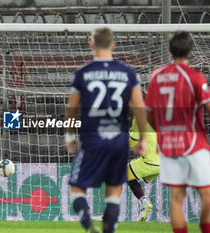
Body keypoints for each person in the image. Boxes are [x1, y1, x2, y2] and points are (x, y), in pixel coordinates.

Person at [66, 27, 147, 233]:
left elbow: (72, 109)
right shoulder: (128, 73)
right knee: (113, 192)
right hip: (118, 140)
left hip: (92, 138)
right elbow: (139, 107)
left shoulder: (83, 73)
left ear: (91, 45)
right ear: (113, 45)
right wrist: (143, 139)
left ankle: (89, 226)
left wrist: (70, 137)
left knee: (76, 188)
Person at [145, 31, 210, 233]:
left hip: (169, 145)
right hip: (193, 142)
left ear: (170, 50)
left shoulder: (157, 76)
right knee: (207, 195)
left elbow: (148, 115)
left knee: (176, 198)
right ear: (190, 51)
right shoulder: (195, 77)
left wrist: (163, 133)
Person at [128, 114, 159, 221]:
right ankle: (143, 202)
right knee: (129, 176)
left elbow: (132, 144)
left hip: (150, 161)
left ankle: (144, 202)